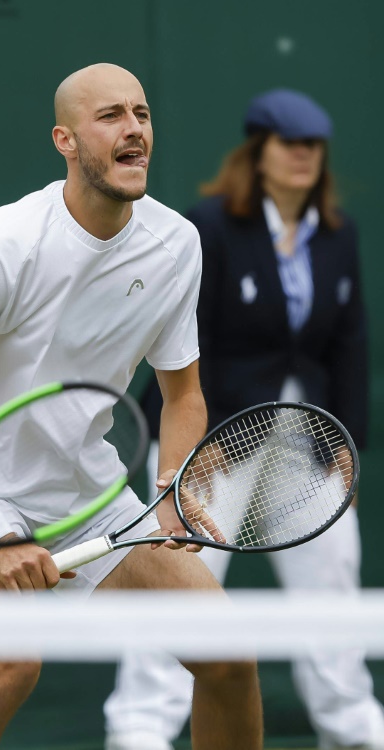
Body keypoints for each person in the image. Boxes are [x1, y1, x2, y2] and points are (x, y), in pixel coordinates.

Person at [0, 62, 263, 750]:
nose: (134, 131)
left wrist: (172, 489)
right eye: (111, 117)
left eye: (143, 114)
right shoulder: (3, 244)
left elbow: (182, 393)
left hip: (90, 495)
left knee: (227, 651)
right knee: (9, 668)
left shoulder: (175, 245)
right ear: (65, 141)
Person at [104, 89, 384, 750]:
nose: (303, 157)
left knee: (334, 576)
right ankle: (139, 729)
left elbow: (349, 340)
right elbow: (181, 336)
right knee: (179, 580)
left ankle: (352, 726)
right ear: (258, 154)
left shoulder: (339, 236)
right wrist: (191, 442)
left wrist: (350, 440)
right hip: (212, 436)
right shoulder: (210, 226)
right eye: (290, 145)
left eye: (313, 147)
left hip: (306, 440)